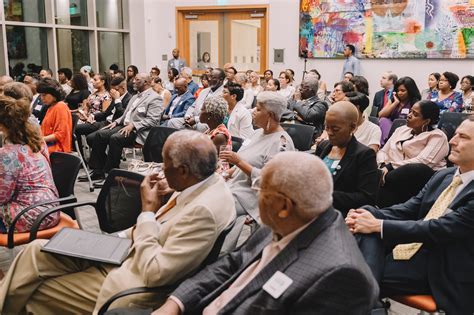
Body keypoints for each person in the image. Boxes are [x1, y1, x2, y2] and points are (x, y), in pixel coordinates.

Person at [0, 130, 236, 314]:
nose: (161, 172)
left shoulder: (204, 210)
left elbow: (156, 272)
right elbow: (165, 224)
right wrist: (104, 241)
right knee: (35, 251)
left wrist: (147, 212)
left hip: (133, 279)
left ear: (184, 171)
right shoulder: (200, 181)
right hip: (121, 251)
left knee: (34, 290)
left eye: (165, 166)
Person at [153, 151, 379, 315]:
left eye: (259, 190)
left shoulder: (341, 277)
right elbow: (232, 263)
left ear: (284, 207)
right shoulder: (284, 223)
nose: (256, 196)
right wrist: (176, 302)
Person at [346, 116, 474, 315]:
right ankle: (372, 307)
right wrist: (365, 216)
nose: (452, 140)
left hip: (444, 265)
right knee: (368, 211)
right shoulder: (444, 175)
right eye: (455, 134)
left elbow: (440, 228)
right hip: (413, 250)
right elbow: (408, 209)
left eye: (463, 137)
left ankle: (369, 304)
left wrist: (377, 225)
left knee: (356, 275)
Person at [221, 91, 295, 221]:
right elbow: (246, 159)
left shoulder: (281, 143)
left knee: (211, 206)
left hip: (251, 197)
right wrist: (227, 173)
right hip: (234, 186)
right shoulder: (256, 133)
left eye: (259, 109)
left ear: (270, 115)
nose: (253, 111)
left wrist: (238, 162)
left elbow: (271, 182)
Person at [83, 73, 163, 181]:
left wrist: (134, 125)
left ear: (146, 82)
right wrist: (116, 122)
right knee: (98, 135)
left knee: (115, 138)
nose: (133, 81)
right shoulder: (135, 96)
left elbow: (153, 120)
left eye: (137, 79)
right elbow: (126, 114)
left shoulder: (155, 98)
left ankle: (111, 174)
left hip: (139, 131)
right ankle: (98, 171)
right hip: (124, 126)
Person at [0, 95, 59, 233]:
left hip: (32, 215)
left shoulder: (7, 154)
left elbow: (2, 197)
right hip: (50, 208)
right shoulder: (36, 141)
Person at [377, 100, 449, 207]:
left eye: (415, 114)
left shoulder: (437, 136)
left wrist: (390, 166)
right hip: (392, 175)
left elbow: (424, 161)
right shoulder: (401, 130)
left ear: (426, 121)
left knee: (414, 169)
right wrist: (382, 165)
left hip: (421, 177)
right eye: (410, 111)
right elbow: (383, 151)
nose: (409, 115)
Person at [316, 101, 378, 216]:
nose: (329, 133)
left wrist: (325, 195)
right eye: (327, 127)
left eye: (335, 129)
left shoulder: (364, 155)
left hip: (340, 214)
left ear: (353, 127)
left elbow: (366, 197)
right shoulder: (323, 146)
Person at [83, 76, 132, 168]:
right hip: (107, 122)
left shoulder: (129, 99)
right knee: (89, 138)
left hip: (118, 125)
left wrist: (117, 100)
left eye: (115, 90)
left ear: (123, 88)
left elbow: (123, 115)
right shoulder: (116, 97)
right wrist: (93, 116)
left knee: (97, 136)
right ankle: (103, 162)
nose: (112, 92)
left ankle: (97, 168)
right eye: (112, 89)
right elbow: (107, 113)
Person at [75, 73, 112, 156]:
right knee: (71, 125)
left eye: (95, 80)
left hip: (98, 122)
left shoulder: (106, 96)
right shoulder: (92, 94)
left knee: (76, 129)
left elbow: (104, 113)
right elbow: (86, 108)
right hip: (88, 120)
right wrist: (83, 114)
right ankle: (81, 155)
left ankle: (83, 157)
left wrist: (90, 117)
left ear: (102, 82)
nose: (92, 82)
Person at [379, 76, 421, 144]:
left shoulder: (415, 103)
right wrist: (395, 103)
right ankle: (388, 142)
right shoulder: (393, 100)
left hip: (406, 130)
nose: (399, 93)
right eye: (398, 90)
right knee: (383, 120)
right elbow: (381, 115)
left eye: (403, 91)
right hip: (390, 130)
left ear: (410, 91)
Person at [37, 78, 72, 153]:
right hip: (48, 145)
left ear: (54, 93)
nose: (42, 98)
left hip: (57, 149)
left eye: (44, 95)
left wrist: (40, 139)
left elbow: (60, 134)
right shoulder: (51, 107)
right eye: (41, 95)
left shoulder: (60, 107)